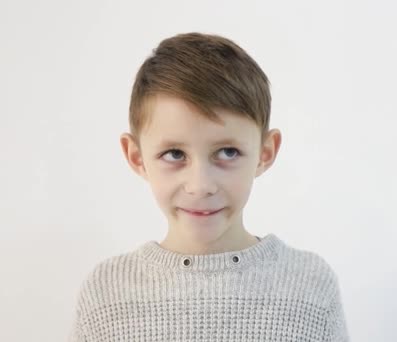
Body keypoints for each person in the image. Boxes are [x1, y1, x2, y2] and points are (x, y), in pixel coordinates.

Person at [68, 32, 349, 342]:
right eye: (174, 154)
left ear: (265, 152)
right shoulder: (106, 294)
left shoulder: (311, 288)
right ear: (137, 157)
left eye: (228, 152)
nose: (200, 186)